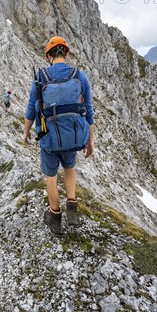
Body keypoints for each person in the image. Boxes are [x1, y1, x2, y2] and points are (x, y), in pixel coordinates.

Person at [23, 36, 94, 234]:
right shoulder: (79, 75)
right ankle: (72, 209)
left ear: (48, 55)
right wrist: (90, 141)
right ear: (66, 52)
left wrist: (26, 132)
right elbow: (88, 110)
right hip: (73, 136)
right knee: (69, 168)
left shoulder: (41, 78)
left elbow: (31, 110)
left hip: (49, 139)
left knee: (51, 176)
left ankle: (55, 216)